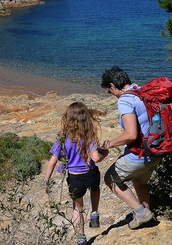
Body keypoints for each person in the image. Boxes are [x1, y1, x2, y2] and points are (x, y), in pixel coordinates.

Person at [100, 66, 163, 229]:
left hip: (142, 154)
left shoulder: (126, 100)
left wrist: (110, 143)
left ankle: (141, 213)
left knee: (110, 178)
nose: (111, 94)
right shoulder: (142, 91)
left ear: (113, 86)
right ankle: (147, 213)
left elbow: (131, 135)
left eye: (109, 90)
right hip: (157, 150)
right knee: (138, 181)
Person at [44, 101, 109, 245]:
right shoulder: (89, 136)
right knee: (95, 189)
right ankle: (94, 213)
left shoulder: (62, 138)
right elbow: (96, 158)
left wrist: (46, 182)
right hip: (91, 173)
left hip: (75, 178)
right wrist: (106, 153)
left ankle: (81, 239)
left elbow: (52, 162)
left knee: (77, 208)